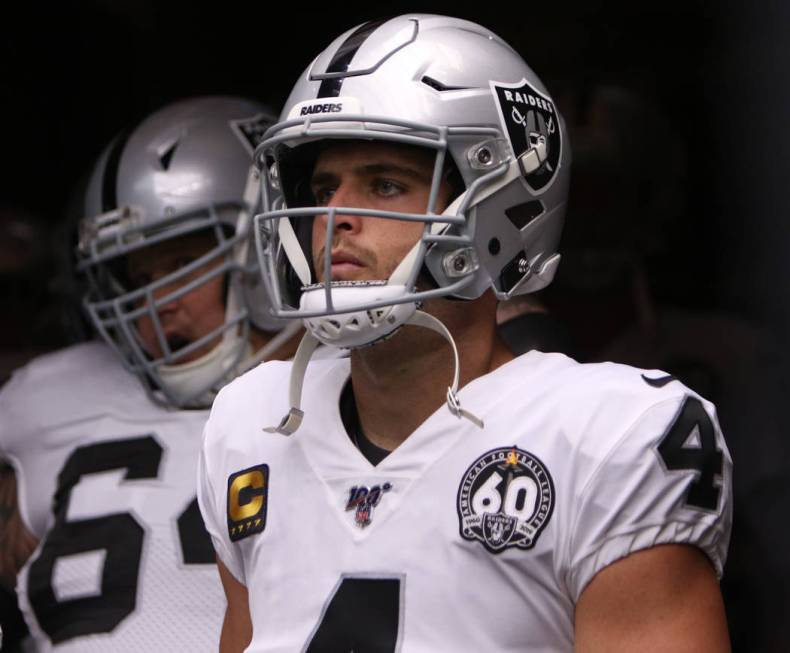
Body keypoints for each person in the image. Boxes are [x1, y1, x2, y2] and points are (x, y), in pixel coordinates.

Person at [196, 15, 733, 652]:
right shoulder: (249, 423)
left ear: (493, 204)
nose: (334, 217)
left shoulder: (611, 435)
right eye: (322, 188)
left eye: (385, 184)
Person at [0, 96, 305, 651]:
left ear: (271, 249)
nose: (153, 302)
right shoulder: (45, 398)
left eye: (179, 263)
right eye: (137, 275)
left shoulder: (360, 383)